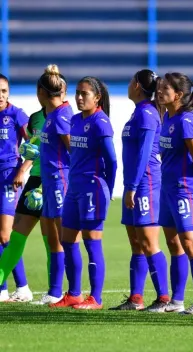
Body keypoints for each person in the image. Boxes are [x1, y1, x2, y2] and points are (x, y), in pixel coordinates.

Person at [0, 66, 73, 305]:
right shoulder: (35, 118)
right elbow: (34, 146)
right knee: (17, 234)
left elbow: (72, 151)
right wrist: (27, 160)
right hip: (36, 181)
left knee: (51, 238)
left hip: (56, 182)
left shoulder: (65, 116)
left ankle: (55, 292)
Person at [50, 76, 117, 310]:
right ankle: (74, 294)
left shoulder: (101, 122)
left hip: (93, 189)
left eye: (85, 93)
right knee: (67, 241)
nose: (79, 97)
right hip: (74, 188)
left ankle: (96, 298)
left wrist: (108, 188)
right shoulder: (76, 120)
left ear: (97, 97)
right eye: (77, 92)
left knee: (92, 243)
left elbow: (112, 160)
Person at [110, 70, 169, 311]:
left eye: (128, 82)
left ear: (136, 85)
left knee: (148, 241)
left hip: (145, 184)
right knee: (136, 242)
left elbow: (145, 152)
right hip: (134, 183)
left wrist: (133, 187)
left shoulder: (146, 114)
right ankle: (136, 298)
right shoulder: (139, 113)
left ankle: (164, 299)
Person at [158, 72, 193, 315]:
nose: (159, 92)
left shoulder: (186, 121)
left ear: (178, 95)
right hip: (167, 188)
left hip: (184, 190)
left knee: (190, 244)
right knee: (173, 244)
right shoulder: (167, 118)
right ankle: (177, 300)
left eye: (164, 89)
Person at [0, 73, 32, 302]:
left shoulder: (16, 115)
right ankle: (17, 288)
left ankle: (11, 288)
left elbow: (34, 143)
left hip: (9, 177)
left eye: (3, 91)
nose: (0, 95)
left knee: (4, 235)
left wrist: (22, 170)